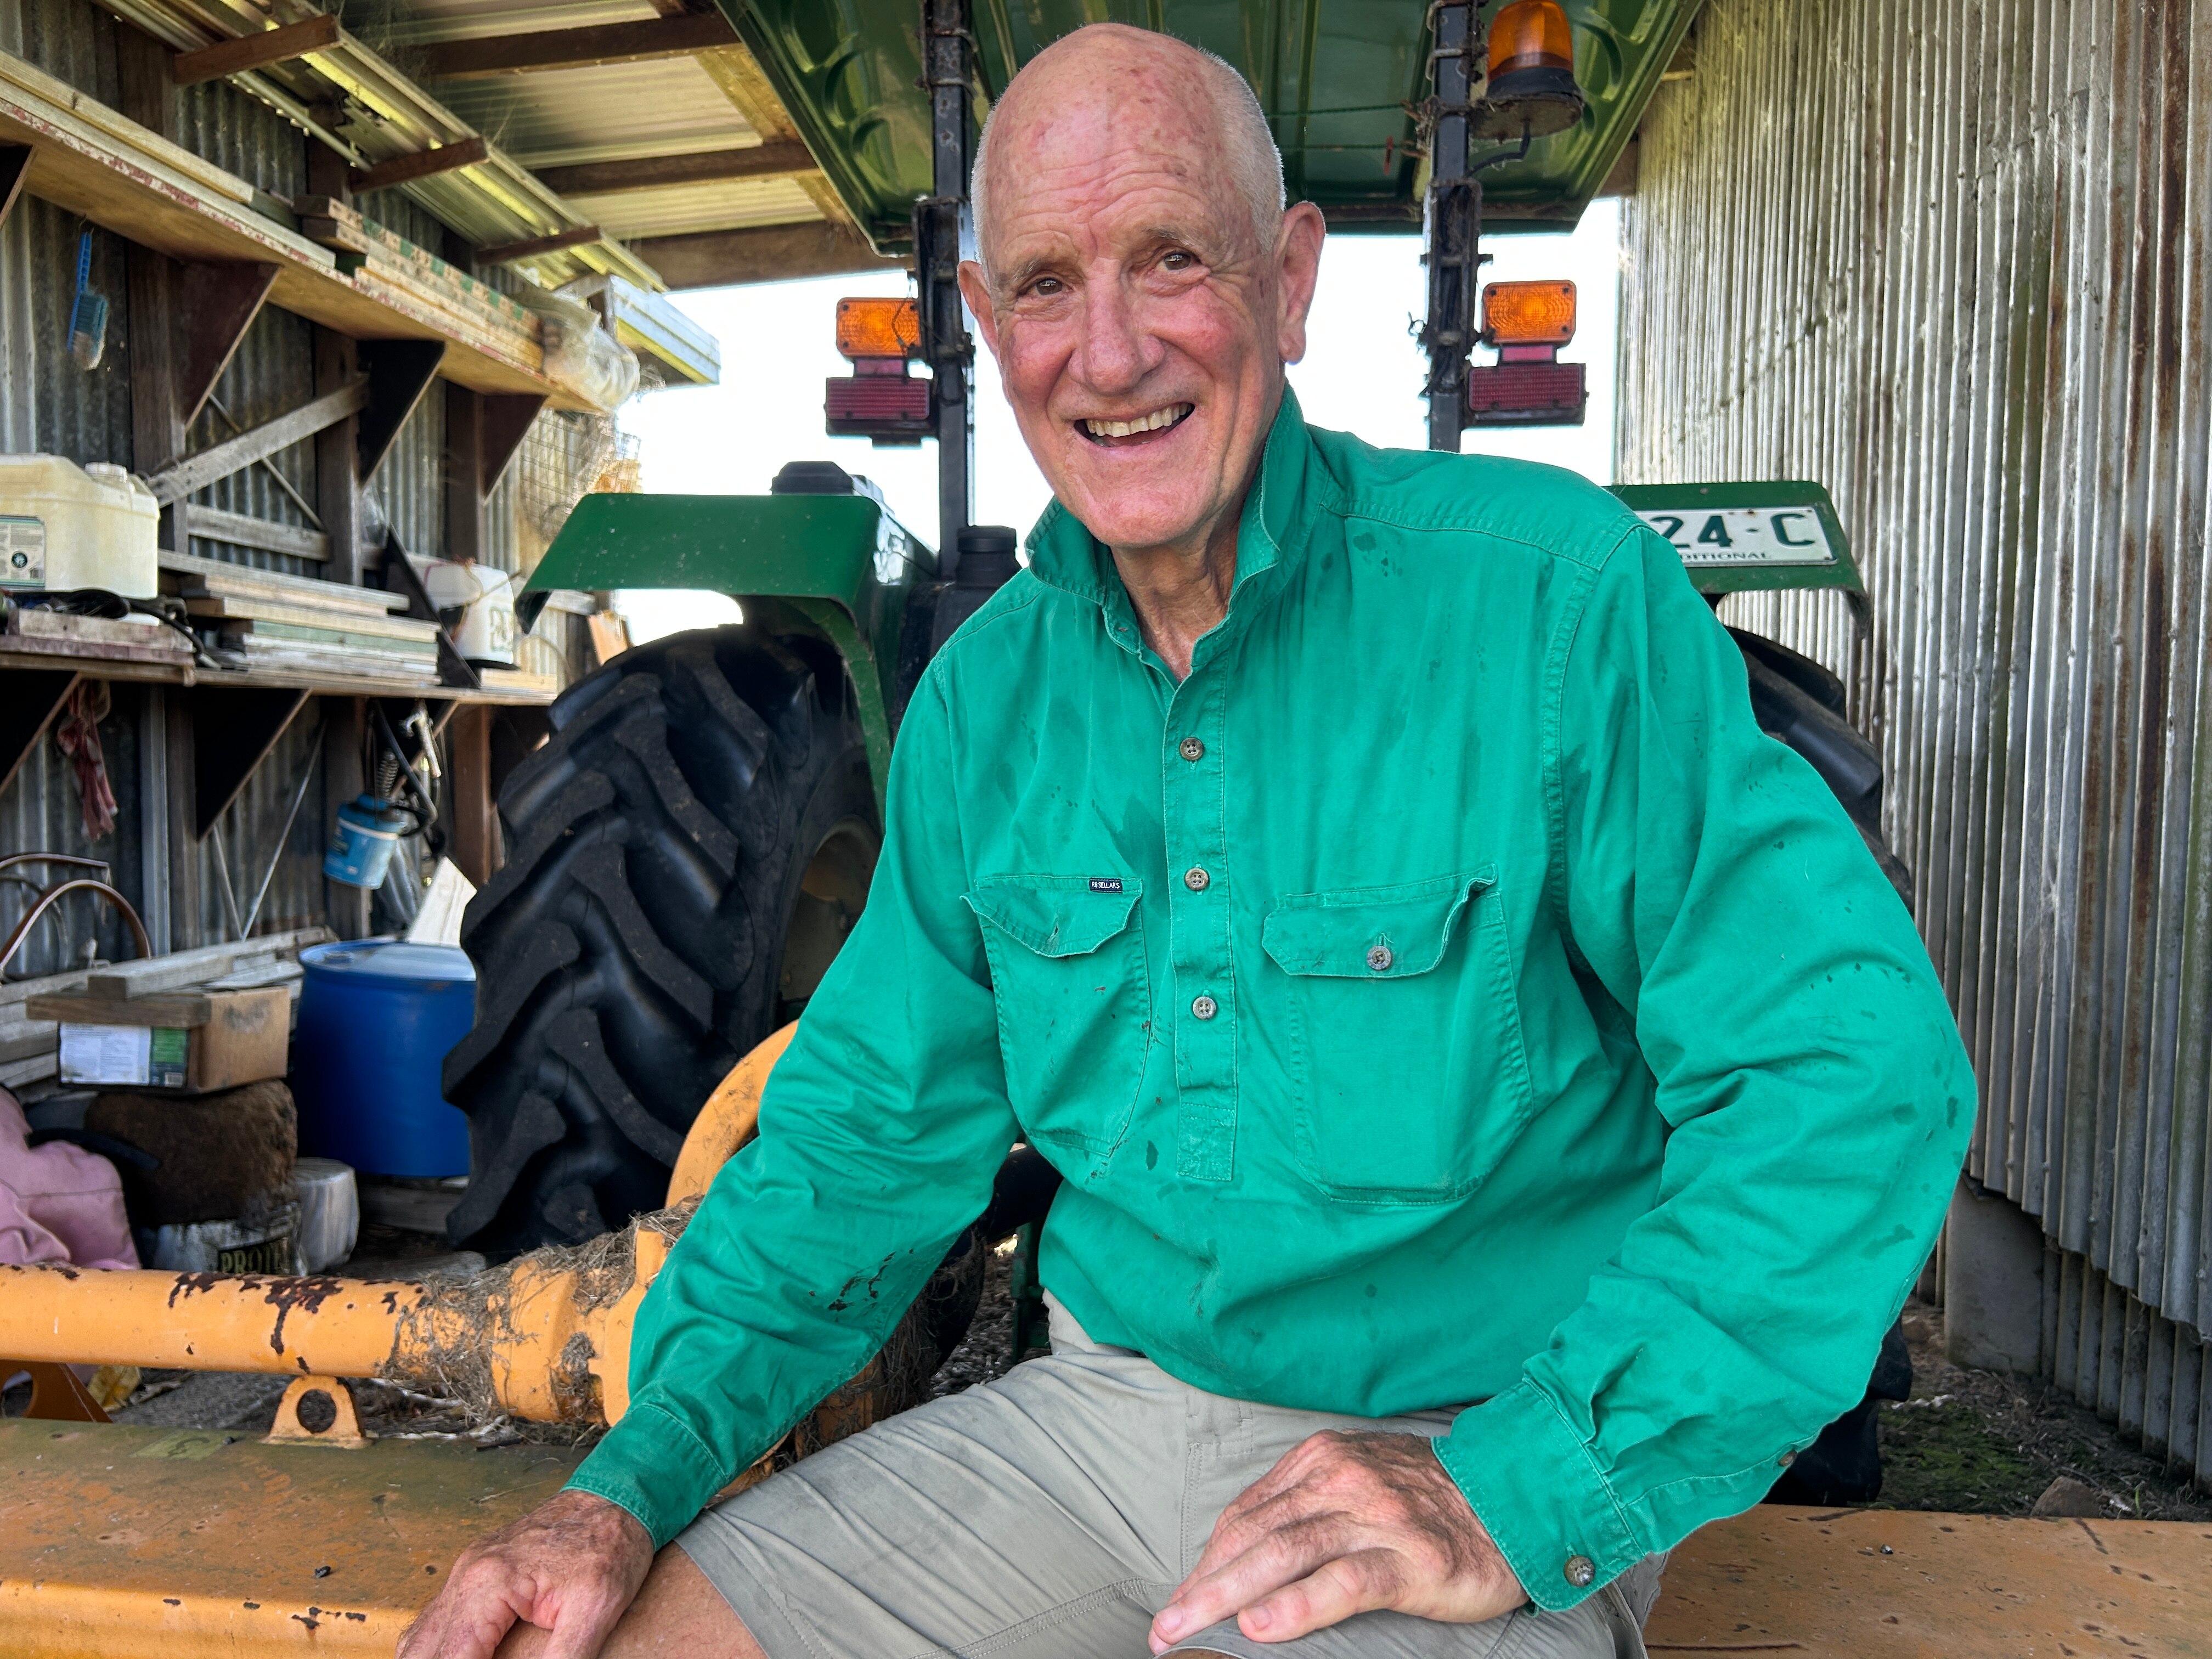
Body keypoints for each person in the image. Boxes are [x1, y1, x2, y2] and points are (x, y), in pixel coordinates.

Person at [399, 21, 1972, 1659]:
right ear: (990, 325)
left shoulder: (1558, 605)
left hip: (1456, 1443)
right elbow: (861, 1143)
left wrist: (1519, 1484)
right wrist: (624, 1487)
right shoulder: (983, 702)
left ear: (1290, 283)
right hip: (1094, 1426)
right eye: (1046, 285)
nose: (1111, 352)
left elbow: (1851, 1074)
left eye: (1172, 262)